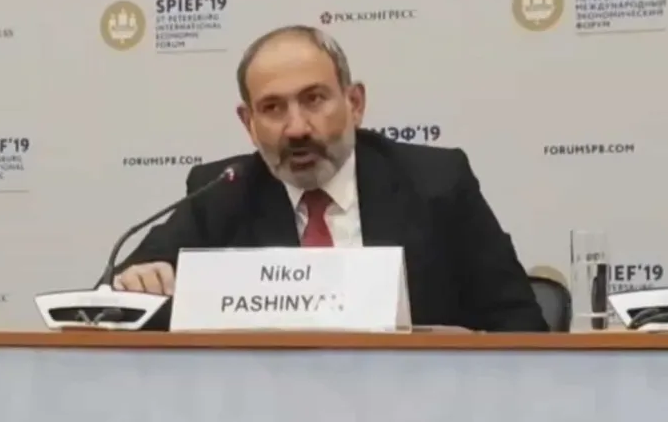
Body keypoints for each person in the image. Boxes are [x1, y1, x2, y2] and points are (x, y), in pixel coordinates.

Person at [112, 25, 548, 332]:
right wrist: (136, 285)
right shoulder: (222, 191)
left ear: (354, 103)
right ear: (249, 123)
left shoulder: (436, 182)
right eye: (273, 108)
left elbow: (521, 324)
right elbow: (108, 306)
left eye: (314, 99)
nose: (297, 128)